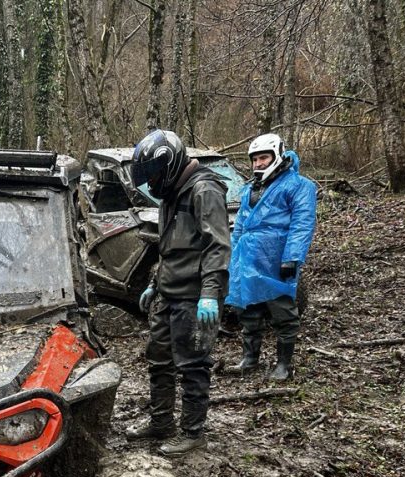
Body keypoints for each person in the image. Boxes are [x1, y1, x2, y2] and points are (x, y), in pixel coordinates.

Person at [124, 129, 231, 456]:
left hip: (195, 296)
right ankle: (161, 421)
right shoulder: (171, 192)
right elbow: (169, 248)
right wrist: (154, 284)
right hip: (168, 293)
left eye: (153, 177)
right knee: (158, 360)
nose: (151, 185)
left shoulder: (203, 190)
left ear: (167, 164)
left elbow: (218, 246)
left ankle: (193, 432)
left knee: (193, 365)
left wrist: (210, 293)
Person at [225, 133, 317, 380]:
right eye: (254, 159)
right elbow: (241, 225)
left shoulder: (299, 186)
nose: (258, 164)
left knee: (283, 312)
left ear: (277, 156)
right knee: (249, 310)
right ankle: (250, 359)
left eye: (263, 158)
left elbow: (302, 224)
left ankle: (284, 365)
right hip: (248, 258)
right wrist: (234, 258)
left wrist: (292, 257)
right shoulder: (250, 189)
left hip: (275, 258)